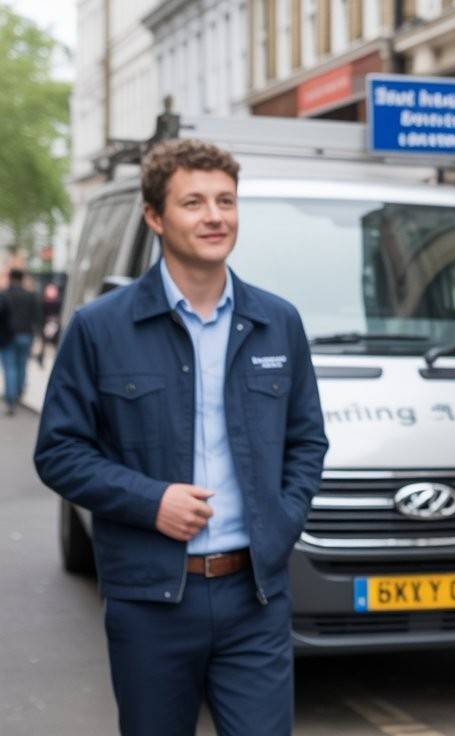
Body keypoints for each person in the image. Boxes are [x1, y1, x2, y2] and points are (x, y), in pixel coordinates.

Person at [34, 139, 328, 735]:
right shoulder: (101, 328)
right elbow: (59, 452)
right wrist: (152, 502)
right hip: (150, 603)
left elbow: (307, 442)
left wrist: (280, 521)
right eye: (193, 202)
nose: (215, 216)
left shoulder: (279, 323)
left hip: (256, 598)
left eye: (226, 200)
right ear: (154, 216)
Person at [1, 267, 42, 415]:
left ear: (10, 277)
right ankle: (18, 393)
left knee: (10, 367)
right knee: (22, 365)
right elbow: (38, 317)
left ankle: (11, 399)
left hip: (7, 336)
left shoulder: (4, 295)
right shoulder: (30, 295)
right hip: (26, 335)